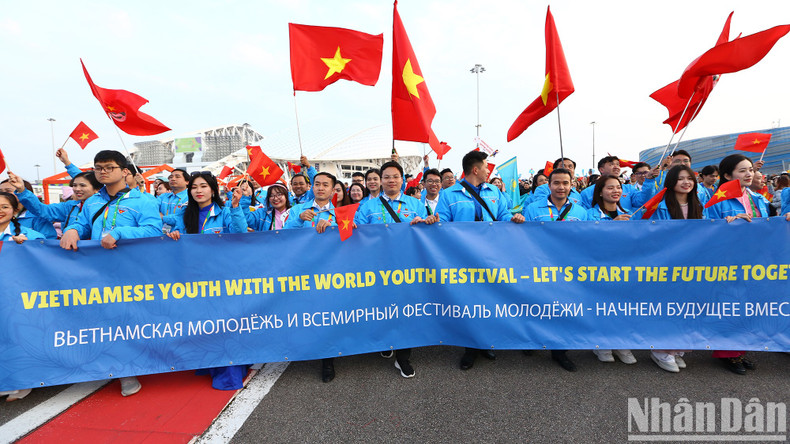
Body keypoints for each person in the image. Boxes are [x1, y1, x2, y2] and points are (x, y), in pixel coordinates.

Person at [59, 151, 163, 396]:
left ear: (125, 171)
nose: (103, 171)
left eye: (108, 167)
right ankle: (115, 366)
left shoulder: (144, 200)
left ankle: (129, 369)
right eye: (98, 167)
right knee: (103, 319)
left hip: (131, 270)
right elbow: (82, 224)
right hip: (97, 270)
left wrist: (120, 233)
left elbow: (153, 230)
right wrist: (73, 229)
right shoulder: (92, 202)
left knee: (127, 320)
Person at [435, 150, 525, 371]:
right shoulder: (449, 194)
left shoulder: (494, 191)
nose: (488, 171)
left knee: (488, 299)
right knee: (468, 301)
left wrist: (514, 218)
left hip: (491, 256)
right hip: (462, 257)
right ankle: (470, 347)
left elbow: (503, 216)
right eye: (486, 167)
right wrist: (432, 221)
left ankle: (485, 342)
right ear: (475, 169)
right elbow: (442, 223)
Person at [164, 172, 249, 390]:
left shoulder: (224, 211)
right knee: (205, 323)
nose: (198, 191)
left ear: (213, 189)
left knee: (225, 323)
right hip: (195, 278)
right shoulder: (184, 214)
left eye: (203, 186)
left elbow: (239, 233)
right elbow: (176, 237)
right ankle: (211, 364)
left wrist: (236, 207)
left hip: (223, 277)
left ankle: (230, 371)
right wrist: (173, 236)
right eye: (194, 187)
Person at [355, 161, 437, 378]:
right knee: (381, 308)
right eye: (387, 177)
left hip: (407, 267)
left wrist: (427, 222)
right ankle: (385, 341)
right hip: (377, 267)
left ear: (402, 180)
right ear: (380, 181)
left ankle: (403, 357)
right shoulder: (367, 207)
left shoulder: (416, 204)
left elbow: (429, 231)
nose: (391, 180)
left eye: (395, 176)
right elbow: (357, 234)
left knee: (405, 311)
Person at [705, 154, 767, 375]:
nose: (749, 173)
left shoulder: (758, 198)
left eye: (750, 169)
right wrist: (726, 225)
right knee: (730, 306)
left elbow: (769, 225)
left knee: (748, 306)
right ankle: (727, 353)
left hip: (754, 261)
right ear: (727, 175)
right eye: (742, 170)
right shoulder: (717, 200)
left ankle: (740, 350)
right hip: (727, 262)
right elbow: (705, 228)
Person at [523, 168, 587, 372]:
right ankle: (532, 341)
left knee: (562, 309)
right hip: (539, 267)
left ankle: (559, 351)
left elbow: (586, 240)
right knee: (536, 305)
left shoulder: (580, 212)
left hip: (567, 270)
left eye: (565, 183)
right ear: (548, 185)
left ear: (572, 185)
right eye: (556, 183)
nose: (561, 187)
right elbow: (524, 238)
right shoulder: (533, 209)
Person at [283, 172, 339, 382]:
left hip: (331, 271)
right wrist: (298, 220)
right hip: (303, 270)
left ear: (333, 190)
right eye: (317, 184)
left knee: (327, 314)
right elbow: (283, 235)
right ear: (311, 187)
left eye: (325, 185)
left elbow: (350, 237)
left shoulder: (340, 212)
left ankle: (327, 360)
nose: (321, 188)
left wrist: (334, 228)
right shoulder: (298, 210)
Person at [8, 171, 101, 233]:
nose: (77, 189)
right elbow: (42, 210)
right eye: (74, 185)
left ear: (97, 189)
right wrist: (22, 190)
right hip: (73, 251)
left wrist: (67, 163)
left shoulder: (105, 206)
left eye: (82, 185)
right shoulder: (69, 207)